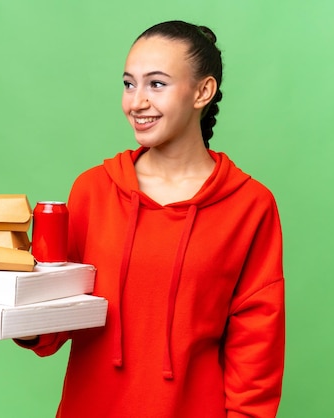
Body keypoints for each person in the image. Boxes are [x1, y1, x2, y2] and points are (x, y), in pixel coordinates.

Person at [15, 20, 285, 418]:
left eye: (156, 84)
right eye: (129, 84)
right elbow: (59, 315)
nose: (136, 102)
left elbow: (256, 348)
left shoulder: (249, 205)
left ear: (203, 92)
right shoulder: (93, 189)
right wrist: (11, 313)